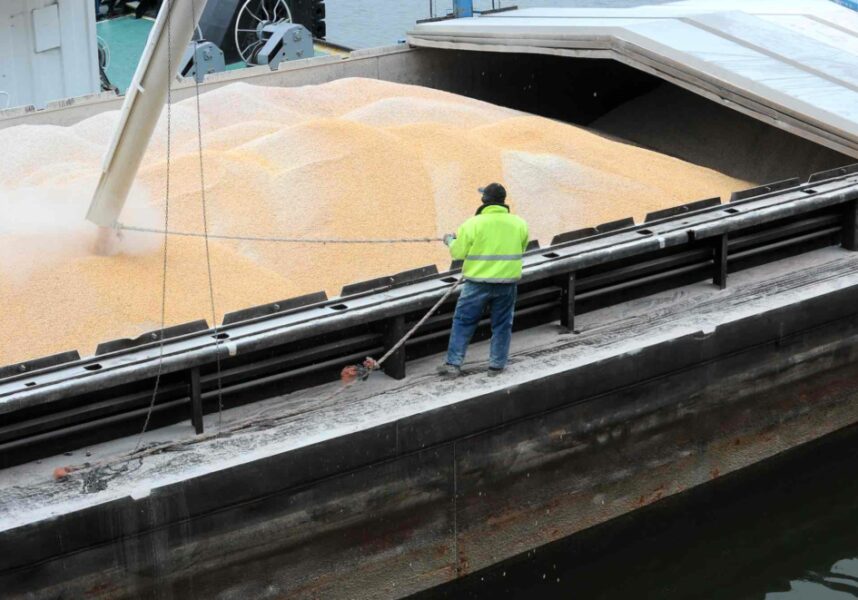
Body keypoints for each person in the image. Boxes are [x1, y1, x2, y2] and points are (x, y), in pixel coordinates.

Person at [438, 183, 529, 378]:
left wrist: (449, 240)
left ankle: (453, 365)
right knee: (502, 324)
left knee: (463, 322)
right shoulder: (519, 223)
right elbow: (521, 249)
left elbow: (458, 253)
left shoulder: (472, 224)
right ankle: (496, 365)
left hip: (477, 284)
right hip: (507, 284)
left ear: (484, 201)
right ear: (503, 201)